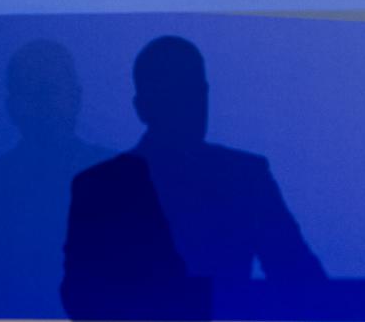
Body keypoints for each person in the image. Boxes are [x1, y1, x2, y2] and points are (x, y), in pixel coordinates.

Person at [61, 36, 325, 320]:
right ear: (143, 107)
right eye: (173, 93)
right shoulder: (99, 189)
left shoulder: (247, 177)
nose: (190, 105)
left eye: (195, 91)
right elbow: (81, 296)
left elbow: (300, 276)